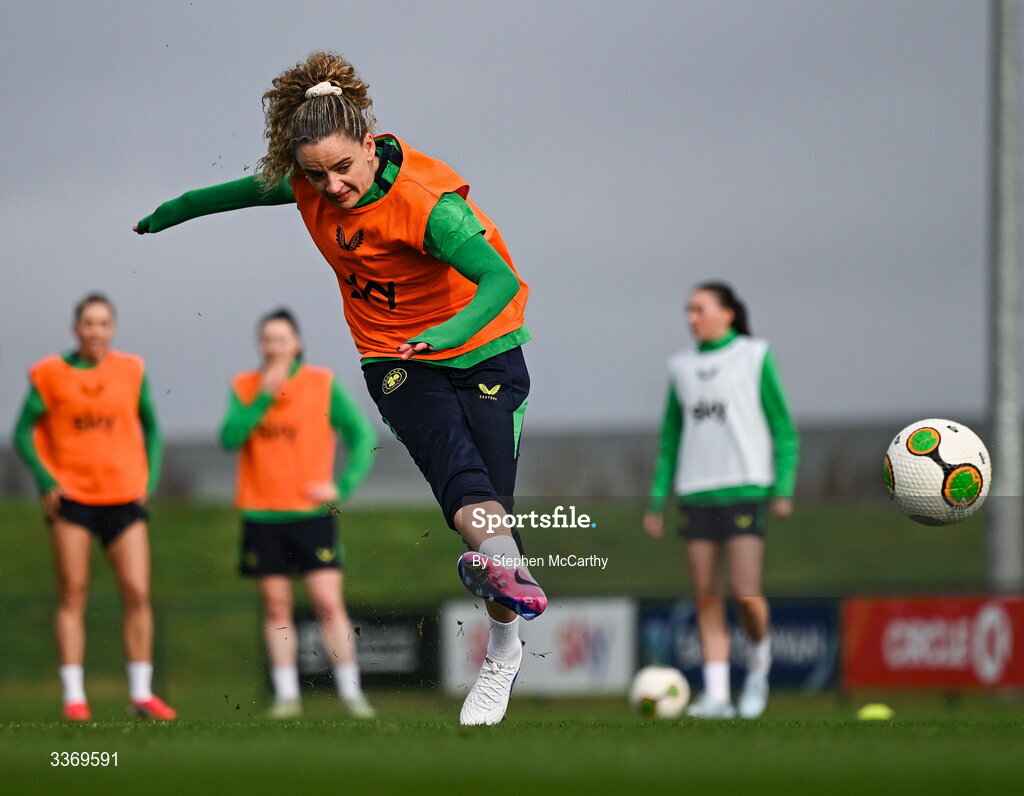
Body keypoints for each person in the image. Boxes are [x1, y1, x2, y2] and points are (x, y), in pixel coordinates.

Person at [133, 51, 545, 725]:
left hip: (485, 348)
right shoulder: (306, 181)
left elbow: (498, 281)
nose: (333, 187)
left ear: (368, 144)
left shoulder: (429, 207)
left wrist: (447, 333)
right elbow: (226, 195)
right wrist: (169, 211)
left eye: (343, 169)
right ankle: (500, 579)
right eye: (317, 174)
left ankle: (503, 641)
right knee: (461, 478)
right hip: (394, 356)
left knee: (493, 509)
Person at [12, 293, 176, 721]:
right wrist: (46, 479)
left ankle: (141, 693)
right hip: (73, 499)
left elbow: (153, 429)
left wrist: (149, 479)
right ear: (76, 328)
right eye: (88, 322)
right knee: (73, 594)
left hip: (123, 496)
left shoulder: (131, 371)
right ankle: (74, 697)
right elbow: (22, 433)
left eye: (103, 323)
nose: (96, 331)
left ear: (113, 329)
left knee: (138, 592)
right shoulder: (50, 374)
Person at [643, 282, 799, 719]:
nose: (692, 317)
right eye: (688, 309)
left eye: (700, 308)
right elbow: (670, 439)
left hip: (747, 489)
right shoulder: (681, 367)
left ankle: (759, 665)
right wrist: (658, 501)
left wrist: (783, 488)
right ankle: (715, 695)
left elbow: (784, 428)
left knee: (746, 594)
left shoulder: (754, 356)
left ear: (728, 313)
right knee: (706, 597)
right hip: (696, 493)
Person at [220, 308, 377, 718]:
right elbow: (230, 436)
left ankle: (351, 693)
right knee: (276, 606)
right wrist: (263, 398)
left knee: (328, 602)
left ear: (297, 343)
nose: (274, 346)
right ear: (260, 345)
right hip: (261, 513)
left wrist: (341, 487)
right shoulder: (245, 386)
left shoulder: (322, 384)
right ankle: (287, 696)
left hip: (310, 512)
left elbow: (362, 435)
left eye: (282, 339)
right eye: (268, 339)